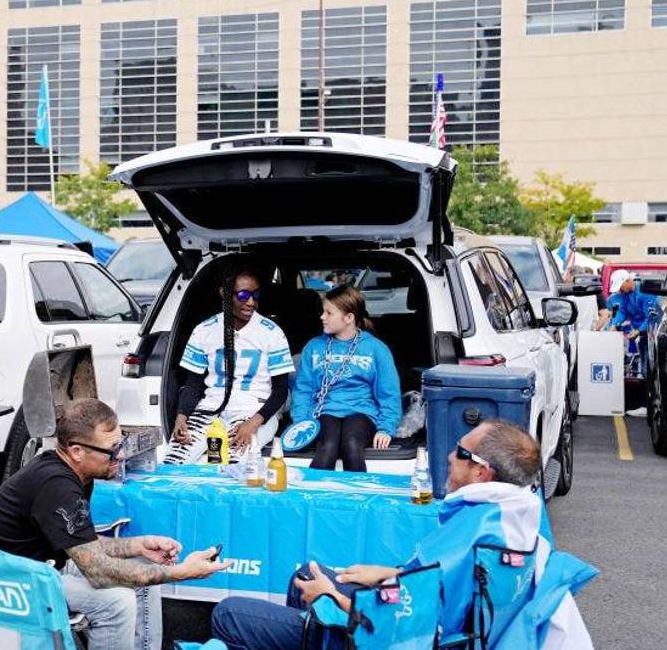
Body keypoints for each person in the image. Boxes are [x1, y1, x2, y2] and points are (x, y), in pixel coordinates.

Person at [211, 420, 569, 649]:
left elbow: (410, 625)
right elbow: (446, 586)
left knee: (227, 613)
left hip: (385, 636)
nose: (447, 456)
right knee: (304, 573)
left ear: (482, 473)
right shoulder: (522, 518)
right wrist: (389, 573)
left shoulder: (471, 535)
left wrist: (334, 597)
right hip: (434, 626)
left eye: (461, 452)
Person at [0, 398, 230, 650]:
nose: (121, 456)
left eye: (121, 445)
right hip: (6, 582)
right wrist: (182, 572)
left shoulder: (78, 473)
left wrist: (139, 546)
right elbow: (99, 571)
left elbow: (83, 543)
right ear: (77, 451)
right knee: (116, 602)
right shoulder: (57, 486)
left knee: (144, 567)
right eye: (113, 450)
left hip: (42, 566)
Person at [167, 269, 294, 464]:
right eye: (243, 295)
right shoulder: (204, 330)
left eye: (255, 295)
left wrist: (252, 424)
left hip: (254, 413)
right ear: (224, 294)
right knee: (173, 462)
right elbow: (193, 385)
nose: (250, 302)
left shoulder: (272, 333)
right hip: (210, 411)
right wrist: (181, 417)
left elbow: (280, 391)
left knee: (229, 465)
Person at [291, 286, 401, 471]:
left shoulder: (376, 348)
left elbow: (389, 393)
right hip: (325, 411)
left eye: (328, 313)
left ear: (349, 318)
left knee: (351, 444)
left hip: (362, 412)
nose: (322, 317)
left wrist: (385, 428)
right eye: (322, 312)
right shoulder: (314, 347)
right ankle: (312, 497)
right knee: (328, 446)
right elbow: (303, 390)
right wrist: (301, 422)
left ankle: (356, 498)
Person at [605, 269, 659, 380]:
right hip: (639, 332)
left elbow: (651, 316)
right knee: (642, 360)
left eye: (620, 287)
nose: (620, 290)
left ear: (627, 281)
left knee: (649, 363)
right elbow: (622, 311)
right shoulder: (626, 295)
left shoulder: (645, 292)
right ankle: (645, 385)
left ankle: (649, 388)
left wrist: (639, 330)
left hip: (651, 333)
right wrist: (615, 325)